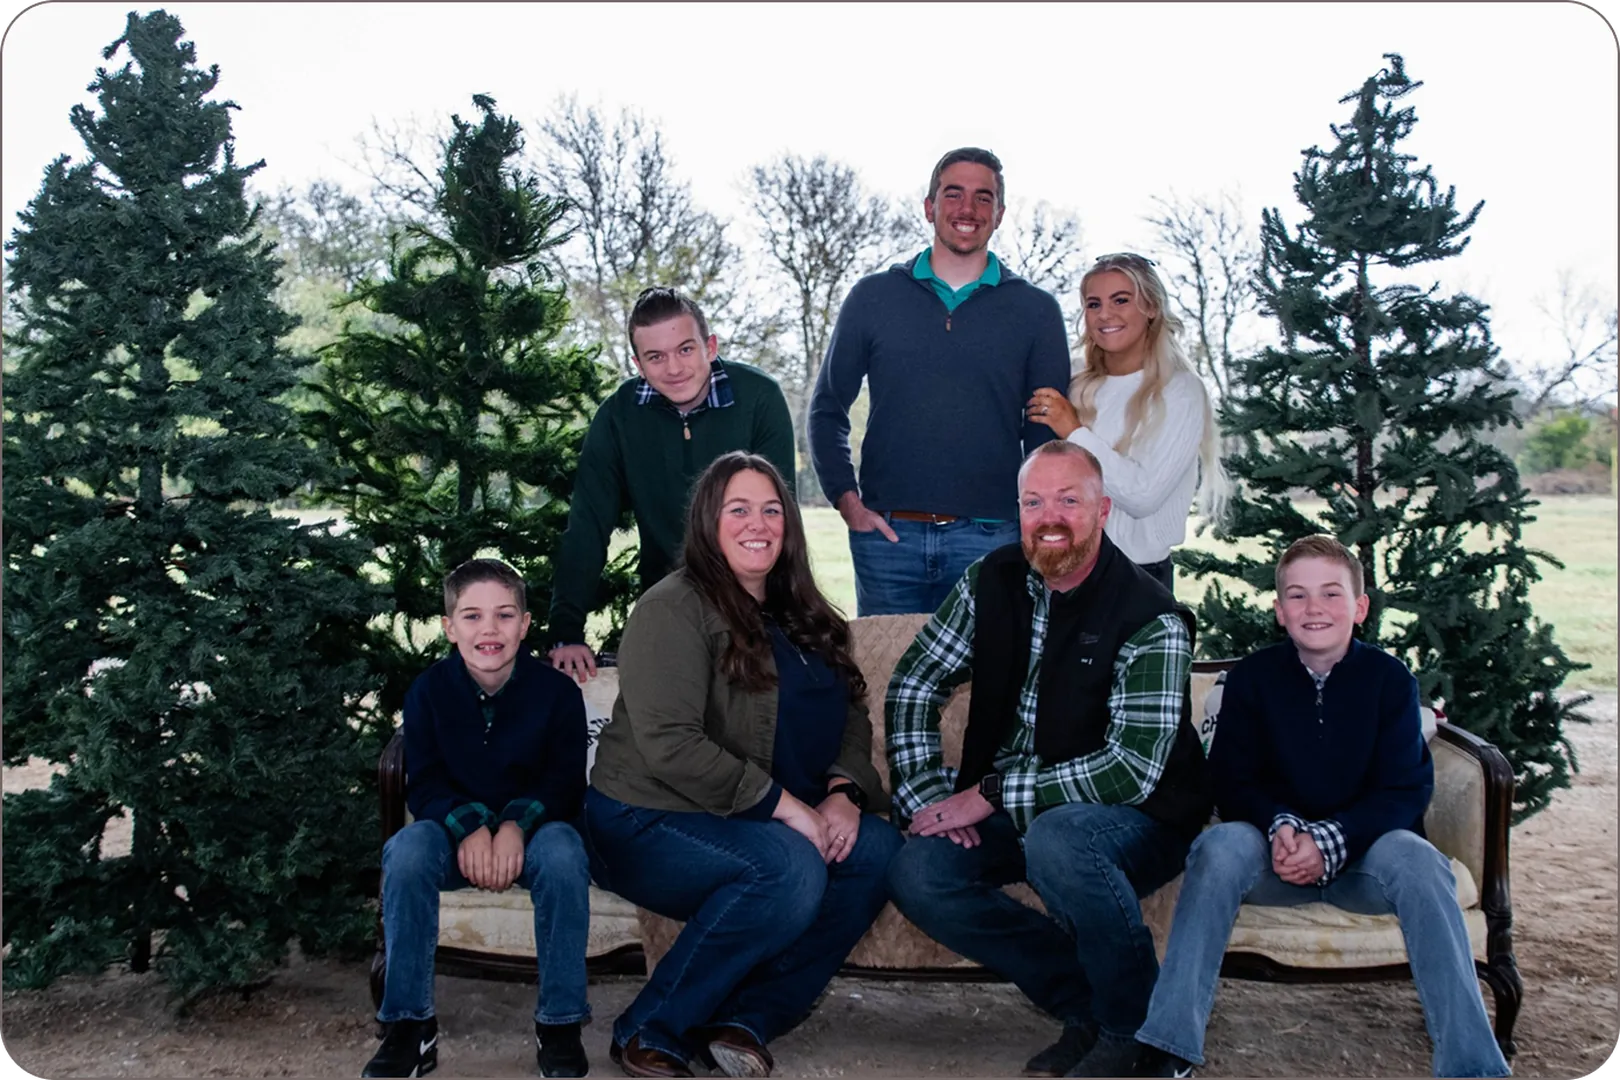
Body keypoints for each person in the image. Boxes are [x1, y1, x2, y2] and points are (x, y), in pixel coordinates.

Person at [884, 440, 1212, 1079]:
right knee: (919, 871)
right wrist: (929, 798)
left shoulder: (1152, 616)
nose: (1049, 516)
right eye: (1034, 502)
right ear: (1018, 512)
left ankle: (1133, 1032)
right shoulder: (990, 580)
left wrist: (996, 792)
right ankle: (1087, 1008)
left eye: (1069, 499)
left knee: (1061, 838)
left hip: (1137, 818)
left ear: (1102, 511)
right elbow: (916, 680)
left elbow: (1131, 769)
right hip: (1019, 808)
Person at [1132, 535, 1511, 1078]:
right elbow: (1232, 780)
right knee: (1218, 846)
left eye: (1332, 594)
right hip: (1271, 855)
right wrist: (1282, 826)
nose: (1315, 609)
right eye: (1298, 595)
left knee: (1419, 859)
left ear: (1359, 608)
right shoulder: (1250, 682)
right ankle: (1169, 1045)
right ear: (1279, 610)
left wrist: (1330, 840)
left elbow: (1403, 791)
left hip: (1366, 861)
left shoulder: (1390, 681)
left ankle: (1473, 1066)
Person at [582, 452, 903, 1078]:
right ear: (709, 520)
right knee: (789, 867)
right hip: (645, 818)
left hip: (750, 818)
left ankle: (745, 1017)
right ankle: (652, 1026)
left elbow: (852, 711)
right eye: (738, 509)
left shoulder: (803, 609)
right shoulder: (672, 608)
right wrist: (794, 814)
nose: (757, 523)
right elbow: (671, 744)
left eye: (770, 509)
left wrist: (842, 794)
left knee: (876, 850)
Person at [808, 146, 1071, 617]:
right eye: (953, 194)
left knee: (990, 686)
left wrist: (1034, 520)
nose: (967, 209)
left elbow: (1043, 435)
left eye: (983, 197)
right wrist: (847, 501)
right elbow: (827, 408)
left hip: (993, 540)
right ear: (930, 207)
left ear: (999, 214)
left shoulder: (1035, 311)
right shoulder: (873, 298)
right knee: (888, 684)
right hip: (888, 540)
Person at [365, 558, 593, 1079]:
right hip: (453, 834)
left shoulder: (557, 694)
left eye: (504, 615)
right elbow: (422, 780)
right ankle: (409, 1026)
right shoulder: (428, 692)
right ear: (448, 627)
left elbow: (563, 781)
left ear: (526, 624)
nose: (488, 630)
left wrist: (513, 825)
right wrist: (469, 826)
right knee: (406, 851)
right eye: (471, 617)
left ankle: (559, 1023)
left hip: (535, 833)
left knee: (563, 853)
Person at [547, 286, 796, 683]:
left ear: (709, 346)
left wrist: (773, 617)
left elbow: (779, 519)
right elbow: (588, 526)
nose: (674, 368)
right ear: (638, 364)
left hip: (755, 603)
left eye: (685, 349)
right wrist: (565, 632)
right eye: (656, 357)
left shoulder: (759, 398)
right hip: (665, 601)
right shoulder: (618, 416)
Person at [1025, 252, 1225, 595]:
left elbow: (1143, 496)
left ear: (1150, 307)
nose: (1105, 314)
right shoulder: (1074, 383)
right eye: (1093, 304)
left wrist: (1074, 432)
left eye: (1121, 300)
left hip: (1137, 580)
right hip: (1060, 578)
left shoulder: (1181, 390)